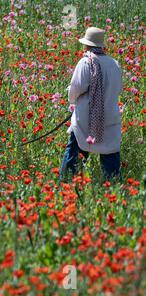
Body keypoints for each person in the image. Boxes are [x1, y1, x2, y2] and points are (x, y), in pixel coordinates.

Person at [60, 27, 123, 181]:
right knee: (110, 151)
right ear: (102, 45)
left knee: (76, 150)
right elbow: (118, 88)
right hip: (110, 115)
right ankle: (113, 185)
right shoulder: (114, 64)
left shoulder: (86, 62)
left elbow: (76, 89)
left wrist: (72, 99)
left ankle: (67, 183)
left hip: (87, 116)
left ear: (86, 45)